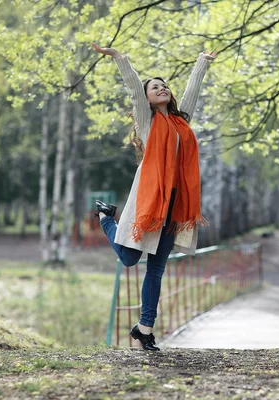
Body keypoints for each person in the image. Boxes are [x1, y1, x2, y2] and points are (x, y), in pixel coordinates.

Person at [91, 43, 217, 351]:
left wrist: (202, 62)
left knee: (157, 269)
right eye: (154, 87)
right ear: (147, 98)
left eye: (164, 86)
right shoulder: (148, 124)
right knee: (129, 258)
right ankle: (107, 217)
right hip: (147, 204)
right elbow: (134, 89)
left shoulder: (180, 121)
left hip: (174, 207)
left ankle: (145, 328)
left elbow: (193, 93)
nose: (161, 89)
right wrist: (120, 59)